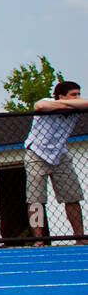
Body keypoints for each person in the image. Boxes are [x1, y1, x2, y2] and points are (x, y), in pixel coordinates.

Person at [25, 80, 88, 245]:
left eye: (78, 94)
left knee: (72, 197)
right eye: (73, 95)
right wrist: (64, 104)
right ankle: (39, 240)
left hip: (60, 155)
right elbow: (39, 106)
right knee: (36, 199)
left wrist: (71, 104)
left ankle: (79, 237)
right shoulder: (49, 102)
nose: (77, 98)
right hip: (37, 154)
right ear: (60, 96)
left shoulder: (76, 108)